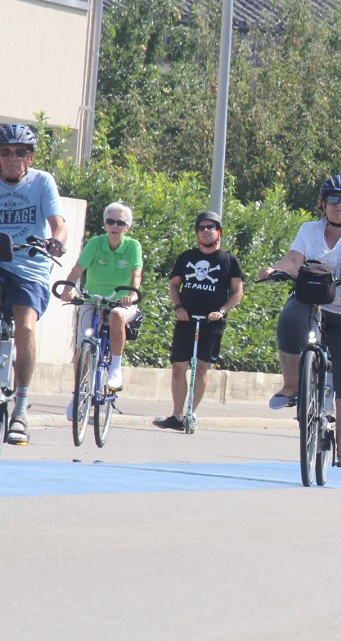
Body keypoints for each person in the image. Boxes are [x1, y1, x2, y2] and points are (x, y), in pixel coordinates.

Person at [258, 176, 341, 467]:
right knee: (289, 317)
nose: (340, 206)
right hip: (313, 304)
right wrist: (274, 269)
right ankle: (291, 385)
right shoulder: (309, 230)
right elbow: (293, 260)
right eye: (334, 200)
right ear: (323, 203)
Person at [0, 123, 67, 445]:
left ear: (31, 157)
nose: (13, 158)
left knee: (25, 327)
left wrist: (56, 241)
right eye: (5, 151)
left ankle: (21, 409)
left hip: (29, 266)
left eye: (20, 152)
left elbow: (59, 225)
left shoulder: (42, 182)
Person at [153, 211, 243, 431]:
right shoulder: (187, 257)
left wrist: (221, 311)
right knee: (178, 367)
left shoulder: (229, 260)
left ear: (219, 231)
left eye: (210, 227)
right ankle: (176, 415)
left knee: (201, 367)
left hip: (212, 322)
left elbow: (237, 292)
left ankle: (191, 414)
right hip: (186, 318)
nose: (206, 231)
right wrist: (178, 307)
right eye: (201, 228)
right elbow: (174, 285)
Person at [60, 202, 142, 396]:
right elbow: (77, 270)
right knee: (83, 345)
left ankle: (115, 367)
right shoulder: (96, 243)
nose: (115, 226)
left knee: (116, 315)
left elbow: (136, 274)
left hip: (120, 301)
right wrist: (68, 289)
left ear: (127, 227)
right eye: (110, 221)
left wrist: (131, 295)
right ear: (104, 225)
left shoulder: (133, 246)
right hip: (93, 298)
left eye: (120, 223)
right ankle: (78, 394)